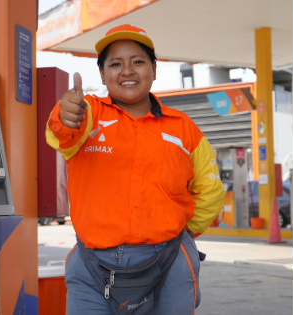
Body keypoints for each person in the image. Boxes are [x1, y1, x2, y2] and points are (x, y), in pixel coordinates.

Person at [45, 24, 224, 314]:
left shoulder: (184, 128)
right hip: (92, 267)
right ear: (102, 74)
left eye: (138, 62)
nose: (127, 70)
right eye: (115, 64)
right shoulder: (87, 113)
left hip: (170, 261)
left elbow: (211, 190)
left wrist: (184, 235)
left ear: (154, 69)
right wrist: (66, 115)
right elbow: (61, 134)